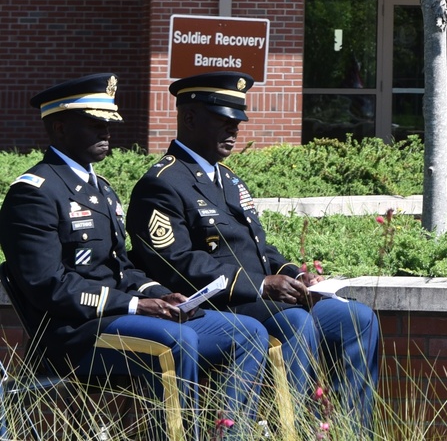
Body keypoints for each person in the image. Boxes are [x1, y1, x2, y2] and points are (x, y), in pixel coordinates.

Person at [0, 73, 270, 437]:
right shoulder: (34, 193)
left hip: (120, 321)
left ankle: (228, 434)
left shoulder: (101, 190)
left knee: (247, 332)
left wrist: (160, 295)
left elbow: (121, 268)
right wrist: (132, 306)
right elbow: (48, 285)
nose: (107, 133)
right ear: (60, 129)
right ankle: (176, 434)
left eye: (108, 124)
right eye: (94, 125)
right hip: (76, 332)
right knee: (177, 340)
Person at [125, 71, 380, 430]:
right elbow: (175, 264)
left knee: (358, 319)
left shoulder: (228, 180)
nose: (234, 130)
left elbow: (262, 249)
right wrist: (261, 285)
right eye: (222, 120)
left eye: (237, 121)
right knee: (296, 322)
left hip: (264, 299)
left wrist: (293, 274)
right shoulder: (162, 184)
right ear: (190, 118)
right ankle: (289, 431)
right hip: (223, 306)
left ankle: (350, 432)